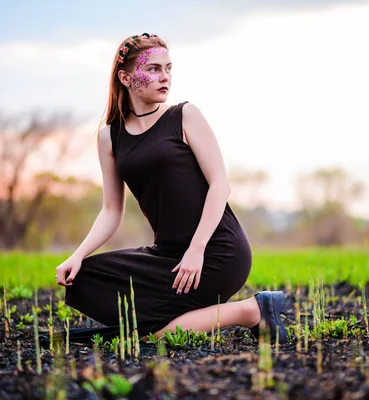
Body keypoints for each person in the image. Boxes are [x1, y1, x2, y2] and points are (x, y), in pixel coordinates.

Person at [48, 33, 287, 347]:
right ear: (125, 77)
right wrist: (77, 256)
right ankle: (189, 312)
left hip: (216, 249)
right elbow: (111, 211)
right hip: (168, 255)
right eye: (155, 69)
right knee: (85, 279)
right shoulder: (110, 137)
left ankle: (253, 310)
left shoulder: (185, 116)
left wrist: (196, 249)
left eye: (169, 68)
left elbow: (220, 185)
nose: (165, 77)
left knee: (155, 336)